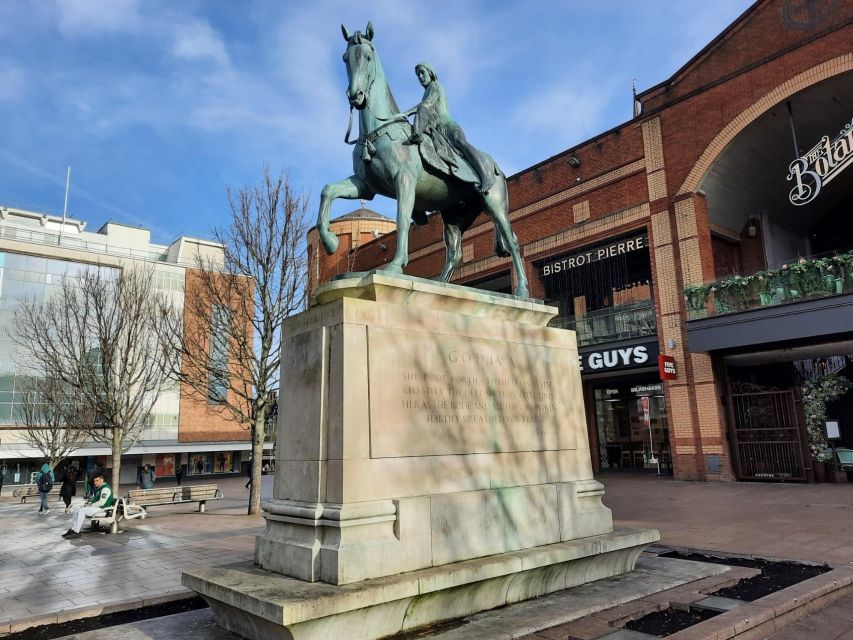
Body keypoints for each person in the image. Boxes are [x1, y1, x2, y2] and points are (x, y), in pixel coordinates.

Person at [403, 62, 494, 196]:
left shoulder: (436, 86)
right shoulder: (426, 92)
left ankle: (485, 176)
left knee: (460, 142)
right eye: (418, 75)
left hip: (448, 126)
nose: (421, 77)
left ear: (431, 72)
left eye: (423, 73)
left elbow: (426, 104)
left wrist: (407, 113)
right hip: (437, 131)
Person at [62, 471, 115, 539]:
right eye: (94, 481)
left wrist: (90, 505)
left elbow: (102, 502)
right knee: (77, 510)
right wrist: (88, 503)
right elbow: (96, 501)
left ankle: (77, 532)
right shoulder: (100, 488)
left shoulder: (105, 488)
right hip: (98, 509)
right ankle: (73, 529)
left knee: (82, 511)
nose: (95, 482)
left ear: (102, 480)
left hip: (103, 510)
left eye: (97, 480)